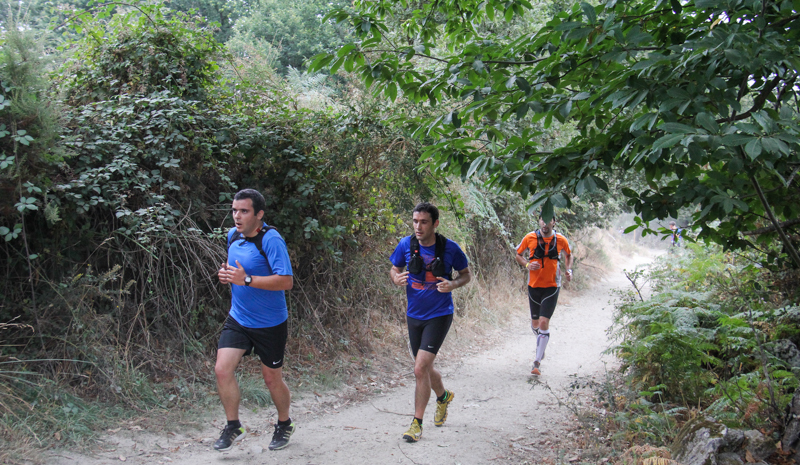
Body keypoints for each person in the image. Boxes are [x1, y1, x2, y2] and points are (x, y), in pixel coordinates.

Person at [214, 189, 296, 452]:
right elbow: (236, 270)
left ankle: (284, 423)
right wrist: (227, 275)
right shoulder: (232, 235)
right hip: (239, 318)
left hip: (270, 323)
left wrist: (246, 279)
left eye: (244, 211)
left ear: (259, 214)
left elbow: (286, 281)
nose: (237, 216)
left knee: (272, 379)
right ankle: (233, 426)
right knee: (222, 369)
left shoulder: (271, 240)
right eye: (234, 210)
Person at [390, 202, 472, 443]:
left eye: (424, 222)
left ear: (435, 224)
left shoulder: (450, 248)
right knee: (423, 368)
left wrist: (453, 284)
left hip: (439, 314)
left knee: (419, 368)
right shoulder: (406, 244)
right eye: (415, 221)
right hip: (414, 314)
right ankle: (443, 396)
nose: (418, 226)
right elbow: (394, 268)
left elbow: (466, 275)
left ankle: (416, 424)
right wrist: (396, 278)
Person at [514, 214, 573, 376]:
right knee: (535, 324)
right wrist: (527, 264)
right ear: (539, 221)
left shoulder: (561, 239)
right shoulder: (530, 237)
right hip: (534, 286)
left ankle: (537, 362)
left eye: (548, 220)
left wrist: (569, 270)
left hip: (552, 286)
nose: (545, 223)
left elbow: (569, 255)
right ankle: (542, 341)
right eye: (542, 220)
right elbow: (518, 254)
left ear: (554, 222)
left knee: (543, 322)